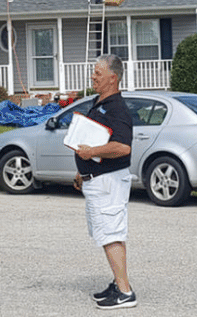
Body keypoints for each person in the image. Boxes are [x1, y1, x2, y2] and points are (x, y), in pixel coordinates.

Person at [73, 54, 136, 310]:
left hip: (109, 182)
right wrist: (82, 170)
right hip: (96, 179)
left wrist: (93, 152)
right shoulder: (100, 103)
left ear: (113, 78)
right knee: (105, 233)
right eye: (93, 72)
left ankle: (125, 292)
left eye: (98, 74)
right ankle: (117, 282)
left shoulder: (117, 109)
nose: (93, 77)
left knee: (111, 234)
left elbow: (122, 147)